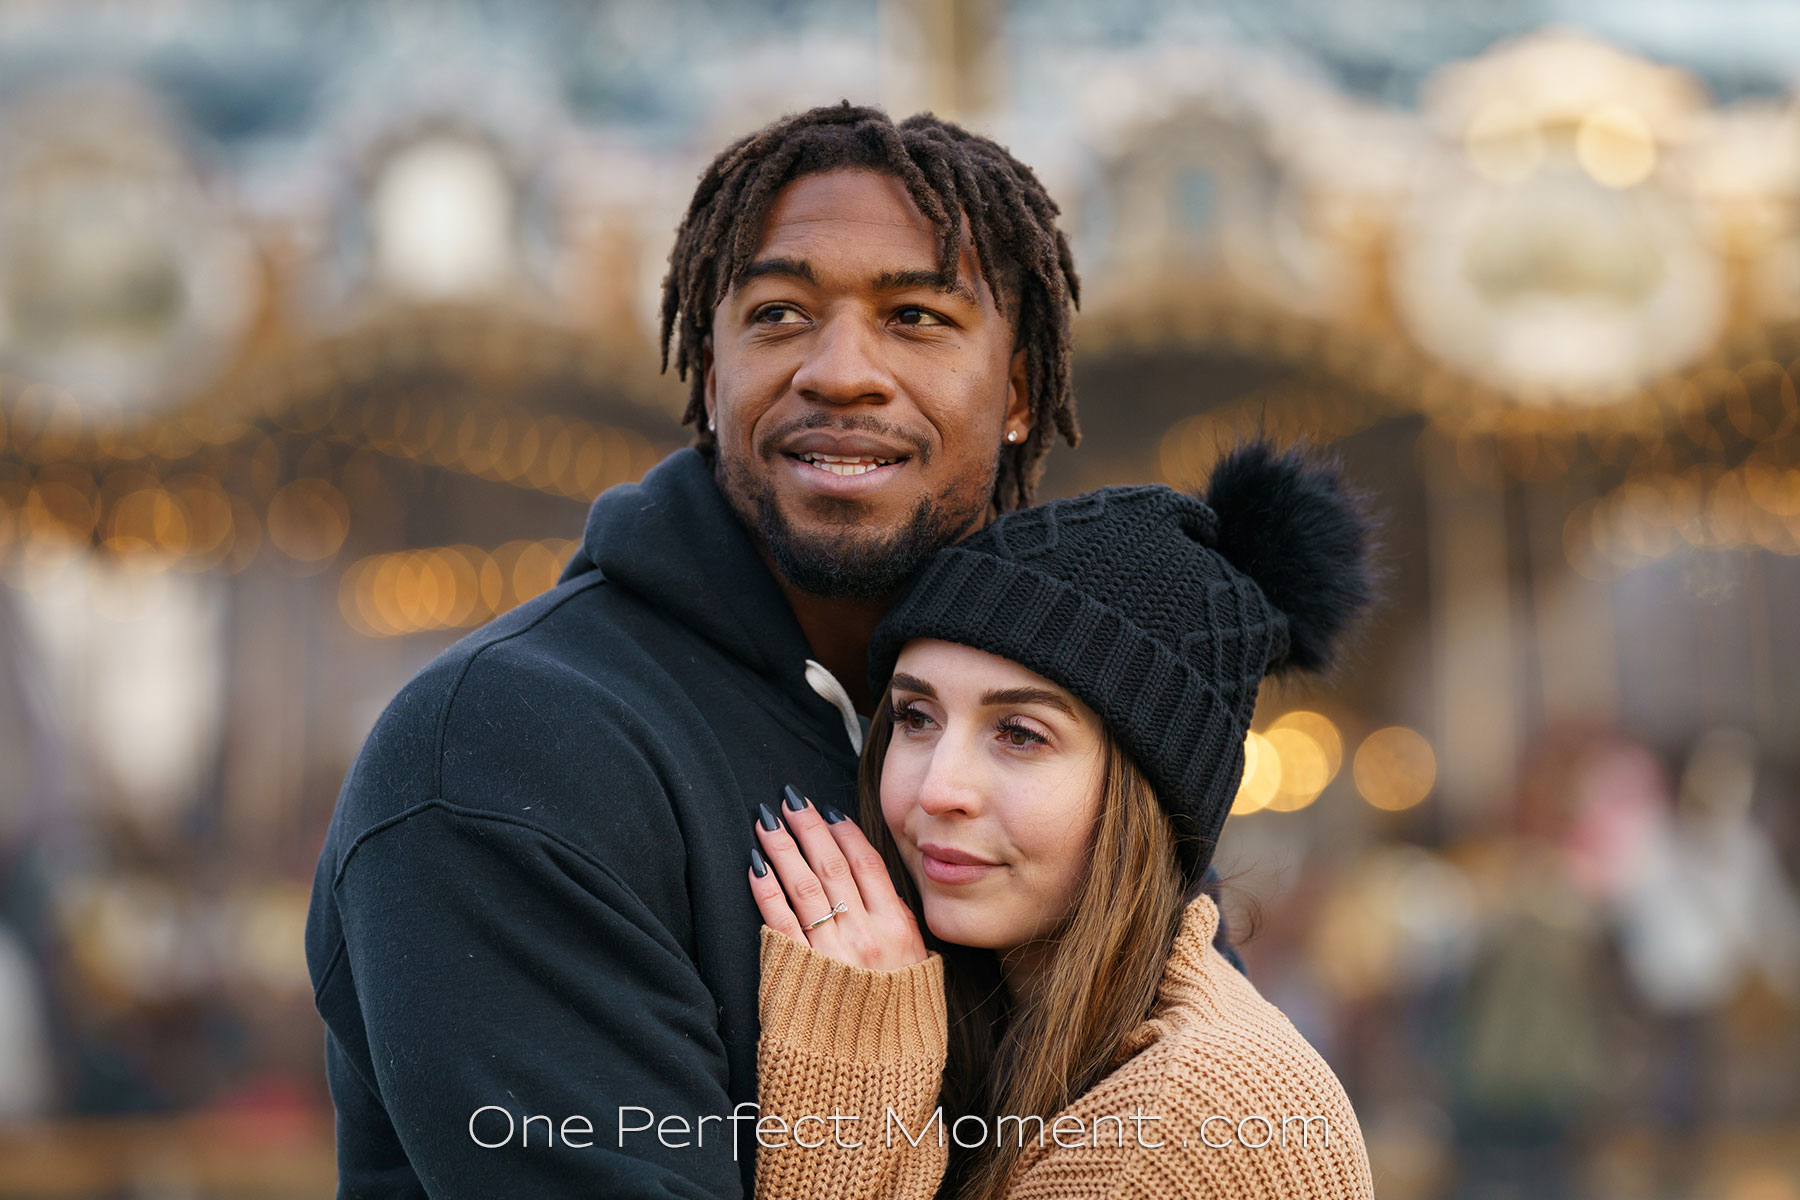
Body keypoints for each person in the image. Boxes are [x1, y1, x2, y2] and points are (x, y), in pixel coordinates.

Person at [304, 100, 1164, 1198]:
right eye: (778, 314)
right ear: (708, 379)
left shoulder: (1077, 721)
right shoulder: (504, 756)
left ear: (1020, 393)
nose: (840, 371)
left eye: (915, 317)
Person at [747, 440, 1379, 1199]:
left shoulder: (1185, 1118)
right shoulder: (1019, 1038)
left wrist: (852, 1093)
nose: (939, 788)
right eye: (916, 717)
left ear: (1149, 794)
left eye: (1020, 734)